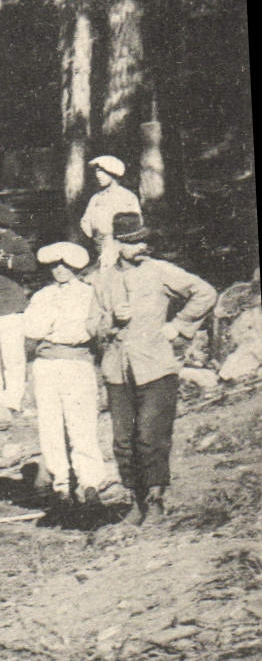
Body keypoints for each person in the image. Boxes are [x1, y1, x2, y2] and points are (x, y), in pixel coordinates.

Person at [94, 215, 217, 524]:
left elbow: (205, 293)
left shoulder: (160, 271)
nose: (141, 247)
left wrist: (179, 326)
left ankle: (156, 502)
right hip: (117, 370)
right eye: (133, 242)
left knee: (151, 436)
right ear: (118, 244)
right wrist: (111, 320)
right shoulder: (103, 279)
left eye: (143, 240)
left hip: (156, 367)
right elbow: (91, 324)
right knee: (123, 441)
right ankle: (135, 503)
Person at [20, 241, 109, 512]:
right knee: (50, 424)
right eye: (55, 266)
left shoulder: (90, 294)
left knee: (81, 423)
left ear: (77, 268)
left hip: (78, 363)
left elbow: (97, 332)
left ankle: (90, 483)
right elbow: (32, 333)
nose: (60, 270)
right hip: (47, 364)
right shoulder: (42, 296)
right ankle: (60, 484)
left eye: (66, 266)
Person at [0, 216, 39, 411]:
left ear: (0, 223)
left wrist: (10, 261)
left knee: (12, 356)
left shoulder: (15, 241)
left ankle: (14, 398)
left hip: (8, 307)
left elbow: (30, 263)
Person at [78, 155, 141, 270]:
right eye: (96, 171)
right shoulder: (96, 198)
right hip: (97, 246)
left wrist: (113, 240)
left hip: (119, 248)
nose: (98, 175)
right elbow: (86, 221)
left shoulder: (126, 196)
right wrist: (95, 236)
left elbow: (133, 224)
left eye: (102, 171)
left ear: (113, 173)